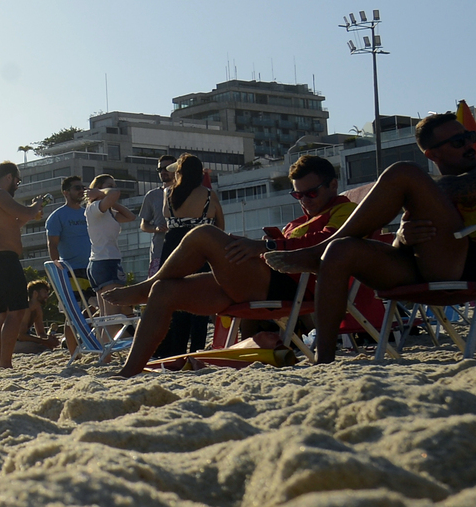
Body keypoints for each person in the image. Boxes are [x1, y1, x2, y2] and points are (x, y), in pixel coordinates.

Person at [264, 112, 476, 363]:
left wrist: (409, 189)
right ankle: (323, 359)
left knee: (404, 172)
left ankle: (317, 251)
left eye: (469, 137)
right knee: (339, 250)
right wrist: (403, 237)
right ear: (432, 154)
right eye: (458, 142)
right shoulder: (426, 199)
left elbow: (458, 189)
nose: (469, 145)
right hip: (431, 266)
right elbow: (398, 247)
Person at [104, 154, 349, 374]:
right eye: (298, 195)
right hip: (263, 280)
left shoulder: (346, 211)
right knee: (163, 290)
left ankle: (145, 287)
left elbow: (327, 244)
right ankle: (129, 371)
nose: (304, 200)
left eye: (311, 193)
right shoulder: (299, 221)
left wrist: (266, 245)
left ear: (333, 185)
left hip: (293, 285)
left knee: (204, 234)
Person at [0, 161, 50, 367]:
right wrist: (37, 204)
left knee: (1, 315)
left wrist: (31, 213)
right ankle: (5, 363)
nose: (17, 185)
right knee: (16, 312)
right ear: (8, 176)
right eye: (17, 180)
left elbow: (15, 223)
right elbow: (25, 213)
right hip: (3, 260)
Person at [155, 154, 224, 358]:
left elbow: (167, 218)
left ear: (180, 173)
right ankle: (196, 351)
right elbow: (220, 226)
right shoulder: (209, 195)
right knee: (200, 300)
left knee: (176, 300)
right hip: (200, 245)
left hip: (173, 246)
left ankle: (177, 352)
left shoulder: (168, 193)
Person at [83, 175, 135, 299]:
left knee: (108, 308)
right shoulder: (95, 208)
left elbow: (131, 217)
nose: (112, 189)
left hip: (102, 261)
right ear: (98, 188)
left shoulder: (107, 212)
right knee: (114, 306)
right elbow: (115, 193)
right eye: (109, 186)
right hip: (106, 261)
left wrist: (113, 203)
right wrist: (100, 193)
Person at [43, 177, 93, 290]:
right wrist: (58, 271)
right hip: (72, 270)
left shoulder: (89, 212)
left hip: (93, 267)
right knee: (80, 299)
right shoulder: (57, 216)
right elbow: (52, 245)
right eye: (77, 188)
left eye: (83, 187)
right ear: (66, 192)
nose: (82, 191)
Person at [139, 154, 179, 269]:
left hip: (181, 249)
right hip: (159, 252)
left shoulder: (186, 192)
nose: (163, 172)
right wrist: (156, 228)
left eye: (166, 168)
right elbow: (143, 225)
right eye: (160, 169)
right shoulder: (152, 195)